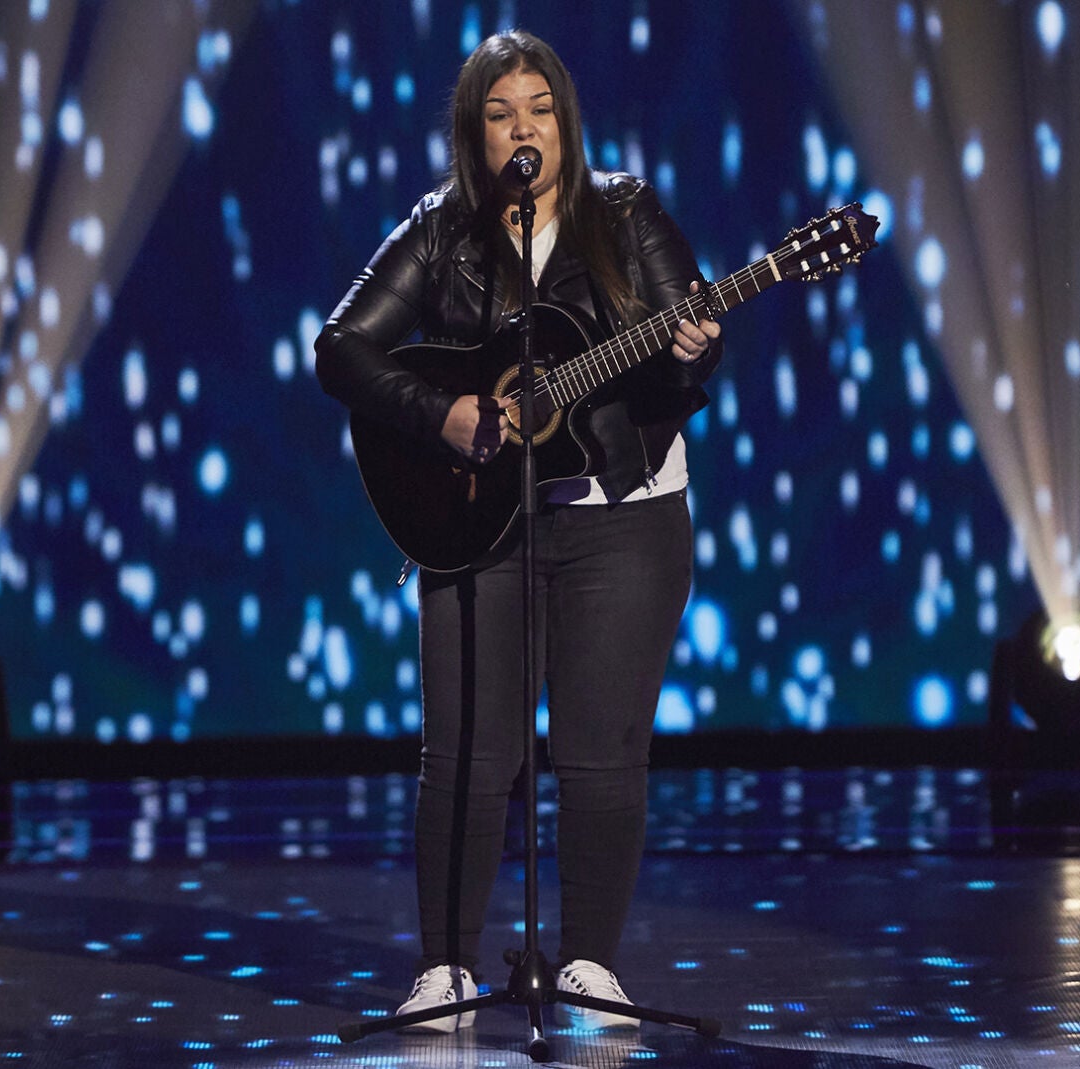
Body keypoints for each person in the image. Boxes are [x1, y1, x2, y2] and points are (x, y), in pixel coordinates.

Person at [315, 29, 721, 1033]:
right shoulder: (443, 228)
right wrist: (439, 415)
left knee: (601, 752)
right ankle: (445, 971)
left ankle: (585, 961)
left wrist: (690, 347)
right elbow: (341, 350)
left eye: (537, 109)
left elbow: (682, 367)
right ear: (474, 134)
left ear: (565, 124)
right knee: (464, 752)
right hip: (477, 519)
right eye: (500, 115)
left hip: (621, 517)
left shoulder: (624, 215)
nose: (521, 129)